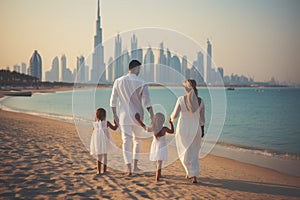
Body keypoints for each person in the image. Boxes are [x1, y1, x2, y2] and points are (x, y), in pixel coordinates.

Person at [110, 60, 154, 176]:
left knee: (126, 142)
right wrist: (153, 117)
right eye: (139, 69)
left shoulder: (118, 81)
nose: (140, 71)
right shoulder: (142, 82)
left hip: (124, 117)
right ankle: (135, 166)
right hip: (137, 117)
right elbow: (147, 103)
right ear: (135, 68)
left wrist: (115, 116)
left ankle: (128, 168)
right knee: (137, 141)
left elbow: (112, 102)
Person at [170, 79, 205, 183]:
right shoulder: (201, 101)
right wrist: (202, 130)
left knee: (184, 151)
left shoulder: (181, 99)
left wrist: (170, 119)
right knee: (194, 152)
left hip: (183, 129)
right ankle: (192, 174)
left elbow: (174, 115)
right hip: (196, 129)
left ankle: (191, 173)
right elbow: (202, 119)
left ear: (186, 88)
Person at [135, 112, 174, 182]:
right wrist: (171, 123)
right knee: (160, 162)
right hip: (162, 146)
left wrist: (139, 120)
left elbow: (145, 128)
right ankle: (157, 178)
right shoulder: (164, 128)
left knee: (158, 161)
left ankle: (159, 175)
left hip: (155, 146)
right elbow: (172, 131)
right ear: (163, 121)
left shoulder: (153, 128)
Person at [90, 108, 118, 175]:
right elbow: (114, 128)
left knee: (99, 156)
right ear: (104, 116)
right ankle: (104, 170)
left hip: (97, 141)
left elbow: (93, 132)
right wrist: (116, 123)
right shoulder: (106, 123)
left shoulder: (95, 124)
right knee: (104, 156)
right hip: (105, 141)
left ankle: (98, 171)